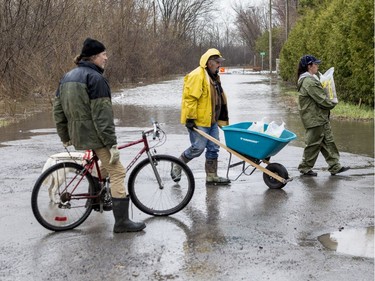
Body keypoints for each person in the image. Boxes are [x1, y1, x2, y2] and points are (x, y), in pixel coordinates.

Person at [53, 38, 146, 233]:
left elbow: (58, 110)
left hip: (79, 134)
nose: (106, 58)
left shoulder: (67, 77)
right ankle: (122, 222)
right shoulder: (96, 79)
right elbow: (102, 116)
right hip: (95, 135)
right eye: (104, 54)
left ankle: (95, 199)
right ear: (94, 56)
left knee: (102, 167)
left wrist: (64, 135)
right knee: (118, 170)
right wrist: (111, 144)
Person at [171, 48, 230, 185]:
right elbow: (190, 98)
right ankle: (177, 164)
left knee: (214, 147)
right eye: (217, 62)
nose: (219, 65)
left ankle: (211, 176)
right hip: (199, 121)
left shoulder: (213, 76)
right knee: (198, 148)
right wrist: (190, 119)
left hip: (212, 120)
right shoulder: (197, 75)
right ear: (210, 63)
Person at [297, 54, 350, 176]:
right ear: (309, 66)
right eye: (315, 64)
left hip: (320, 117)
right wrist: (332, 102)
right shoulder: (308, 81)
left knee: (328, 141)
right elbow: (321, 99)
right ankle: (305, 168)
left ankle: (335, 166)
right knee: (313, 144)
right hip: (314, 118)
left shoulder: (310, 79)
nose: (317, 66)